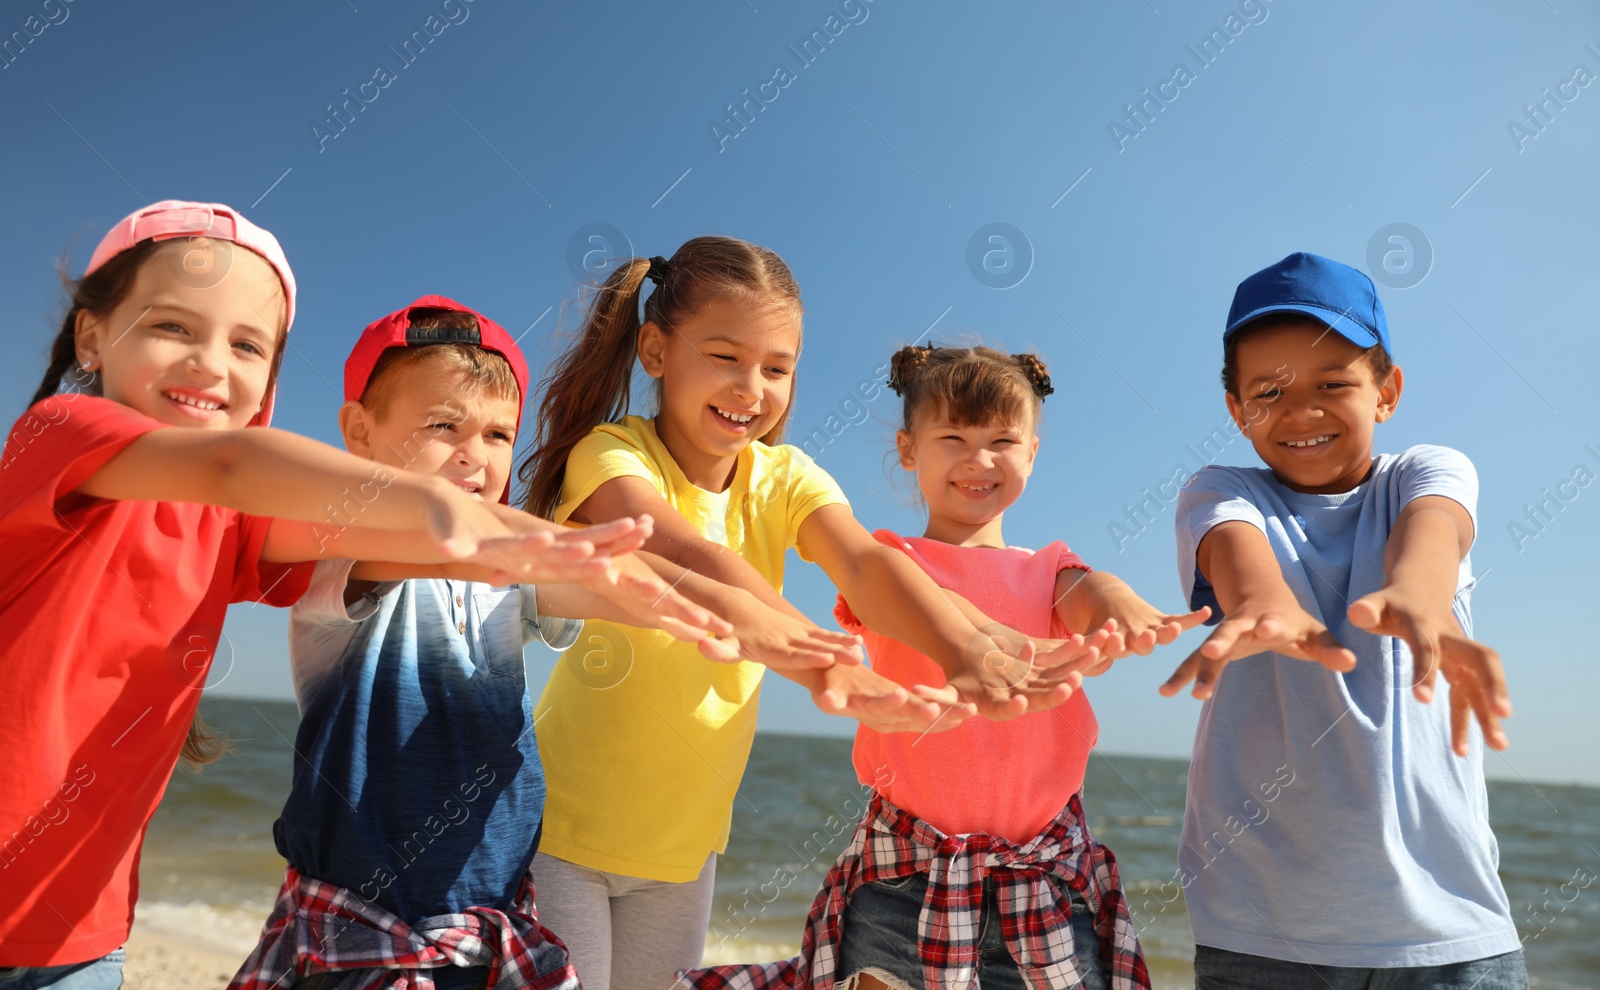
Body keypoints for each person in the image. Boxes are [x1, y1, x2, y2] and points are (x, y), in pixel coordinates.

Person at [0, 203, 583, 989]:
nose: (211, 363)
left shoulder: (232, 528)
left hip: (81, 929)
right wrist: (443, 506)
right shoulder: (58, 431)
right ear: (92, 335)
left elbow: (410, 543)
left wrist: (698, 594)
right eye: (173, 325)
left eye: (246, 345)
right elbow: (236, 465)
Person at [516, 241, 1077, 990]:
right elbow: (693, 559)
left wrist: (965, 643)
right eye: (725, 356)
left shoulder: (784, 477)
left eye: (776, 368)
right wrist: (830, 661)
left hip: (684, 851)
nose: (751, 388)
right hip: (560, 831)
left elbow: (868, 563)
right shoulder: (613, 453)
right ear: (655, 349)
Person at [229, 297, 737, 990]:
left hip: (490, 923)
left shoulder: (507, 585)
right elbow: (457, 547)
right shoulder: (340, 559)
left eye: (499, 435)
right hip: (362, 930)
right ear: (360, 433)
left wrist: (731, 615)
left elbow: (610, 590)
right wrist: (556, 551)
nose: (474, 453)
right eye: (444, 425)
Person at [688, 343, 1208, 990]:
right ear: (909, 449)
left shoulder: (1048, 568)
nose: (978, 459)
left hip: (1042, 872)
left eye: (1002, 440)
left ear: (1034, 453)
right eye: (953, 436)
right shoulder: (891, 563)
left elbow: (1088, 592)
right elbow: (918, 597)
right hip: (906, 873)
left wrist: (1123, 605)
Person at [1161, 252, 1523, 989]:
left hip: (1450, 932)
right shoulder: (1221, 488)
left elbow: (1435, 532)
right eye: (1269, 391)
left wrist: (1422, 596)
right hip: (1262, 937)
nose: (1301, 411)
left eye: (1333, 384)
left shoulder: (1426, 471)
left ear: (1386, 391)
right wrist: (1262, 603)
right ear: (1235, 408)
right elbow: (1235, 551)